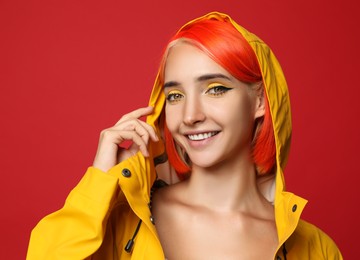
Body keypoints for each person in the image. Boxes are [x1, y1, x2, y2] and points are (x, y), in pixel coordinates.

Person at [27, 11, 343, 259]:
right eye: (175, 95)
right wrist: (100, 181)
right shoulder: (120, 223)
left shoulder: (314, 249)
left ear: (260, 101)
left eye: (216, 89)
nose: (190, 116)